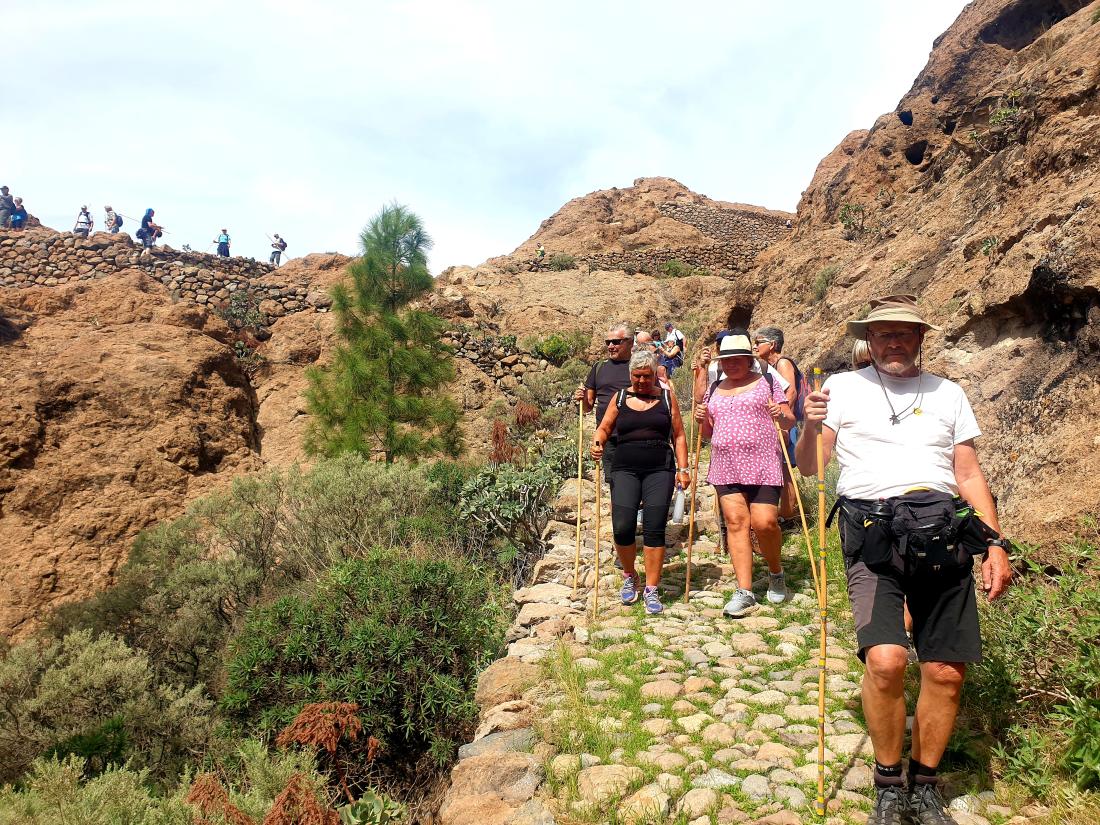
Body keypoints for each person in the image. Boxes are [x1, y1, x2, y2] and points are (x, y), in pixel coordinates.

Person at [795, 294, 1011, 825]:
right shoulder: (840, 389)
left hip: (943, 532)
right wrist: (808, 424)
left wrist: (996, 543)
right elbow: (811, 466)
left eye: (904, 333)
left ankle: (927, 784)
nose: (894, 341)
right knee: (887, 661)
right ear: (868, 340)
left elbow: (967, 474)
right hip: (871, 533)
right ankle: (889, 784)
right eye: (883, 333)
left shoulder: (949, 393)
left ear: (920, 339)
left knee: (945, 670)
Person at [696, 331, 794, 617]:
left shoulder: (766, 380)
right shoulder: (714, 388)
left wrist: (781, 414)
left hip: (763, 463)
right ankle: (745, 591)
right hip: (725, 465)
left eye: (737, 359)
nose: (731, 364)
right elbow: (706, 433)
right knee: (737, 523)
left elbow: (789, 420)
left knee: (764, 524)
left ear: (748, 359)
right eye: (726, 360)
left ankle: (776, 572)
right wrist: (702, 421)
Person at [592, 348, 690, 615]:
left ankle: (651, 588)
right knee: (622, 527)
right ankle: (629, 575)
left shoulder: (668, 398)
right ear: (630, 375)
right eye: (637, 376)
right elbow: (604, 427)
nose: (642, 381)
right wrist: (597, 443)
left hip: (660, 468)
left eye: (646, 376)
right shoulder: (620, 397)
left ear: (654, 374)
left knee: (655, 527)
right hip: (625, 468)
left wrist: (683, 468)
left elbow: (679, 435)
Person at [575, 322, 634, 483]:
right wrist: (582, 398)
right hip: (608, 436)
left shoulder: (639, 366)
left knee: (636, 480)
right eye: (608, 342)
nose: (611, 346)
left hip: (635, 435)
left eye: (616, 342)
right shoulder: (599, 367)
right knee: (614, 481)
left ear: (630, 342)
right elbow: (587, 407)